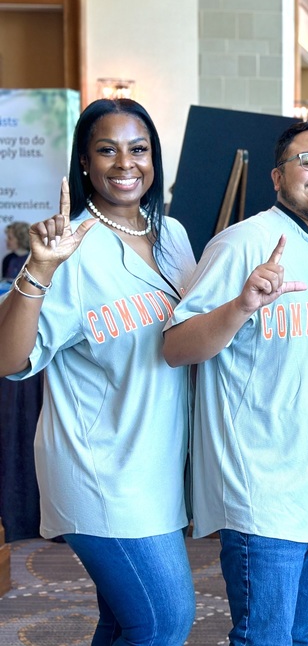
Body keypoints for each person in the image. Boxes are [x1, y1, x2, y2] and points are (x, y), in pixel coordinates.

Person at [0, 98, 197, 645]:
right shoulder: (69, 247)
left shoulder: (174, 236)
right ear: (84, 162)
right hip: (101, 468)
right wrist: (39, 269)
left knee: (125, 623)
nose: (125, 163)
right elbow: (9, 359)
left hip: (159, 464)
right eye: (107, 150)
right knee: (164, 620)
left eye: (139, 149)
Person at [162, 118, 308, 646]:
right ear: (276, 177)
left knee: (299, 636)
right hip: (263, 489)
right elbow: (177, 347)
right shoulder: (242, 244)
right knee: (265, 639)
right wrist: (241, 304)